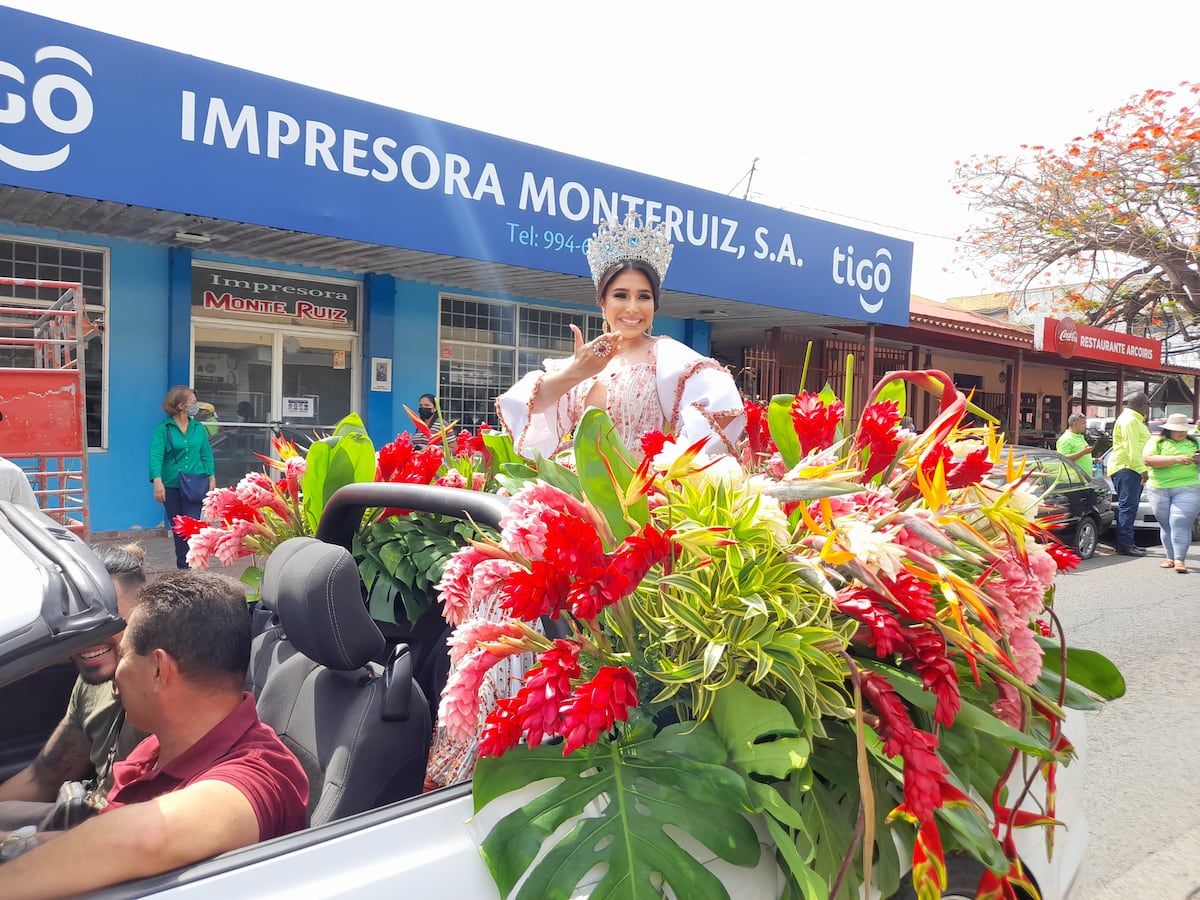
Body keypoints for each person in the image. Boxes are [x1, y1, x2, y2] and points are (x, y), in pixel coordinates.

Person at [0, 571, 308, 896]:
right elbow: (100, 833)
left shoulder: (259, 774)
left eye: (125, 655)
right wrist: (18, 844)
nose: (115, 676)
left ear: (159, 670)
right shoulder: (156, 749)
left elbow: (149, 836)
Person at [496, 213, 745, 457]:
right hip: (580, 487)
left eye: (643, 297)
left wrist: (670, 465)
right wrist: (578, 371)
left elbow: (721, 405)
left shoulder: (668, 357)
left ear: (654, 304)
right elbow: (531, 406)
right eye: (621, 295)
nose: (633, 308)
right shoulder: (585, 360)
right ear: (602, 301)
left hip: (642, 490)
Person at [0, 545, 149, 832]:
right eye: (76, 617)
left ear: (144, 614)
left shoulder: (166, 693)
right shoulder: (90, 685)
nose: (88, 634)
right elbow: (43, 776)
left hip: (122, 836)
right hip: (87, 815)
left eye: (106, 617)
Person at [148, 386, 216, 569]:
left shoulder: (198, 428)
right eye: (193, 403)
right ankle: (183, 568)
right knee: (179, 529)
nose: (196, 406)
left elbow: (206, 453)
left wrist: (211, 476)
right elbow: (156, 456)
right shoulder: (164, 429)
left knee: (192, 528)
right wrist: (157, 481)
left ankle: (195, 565)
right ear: (180, 405)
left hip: (196, 483)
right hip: (171, 485)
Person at [1142, 413, 1200, 574]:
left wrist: (1196, 459)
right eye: (1177, 430)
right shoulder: (1156, 441)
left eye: (1183, 430)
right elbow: (1148, 460)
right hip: (1158, 487)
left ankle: (1180, 559)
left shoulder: (1194, 441)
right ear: (1169, 430)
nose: (1181, 433)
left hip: (1188, 486)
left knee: (1179, 521)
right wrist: (1176, 459)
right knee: (1166, 523)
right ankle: (1170, 558)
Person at [1107, 391, 1151, 556]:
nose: (1148, 408)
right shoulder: (1130, 420)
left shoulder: (1134, 420)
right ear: (1141, 405)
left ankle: (1128, 542)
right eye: (1147, 404)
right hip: (1128, 468)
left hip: (1131, 467)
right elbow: (1131, 448)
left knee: (1130, 507)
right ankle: (1125, 544)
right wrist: (1142, 471)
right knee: (1128, 507)